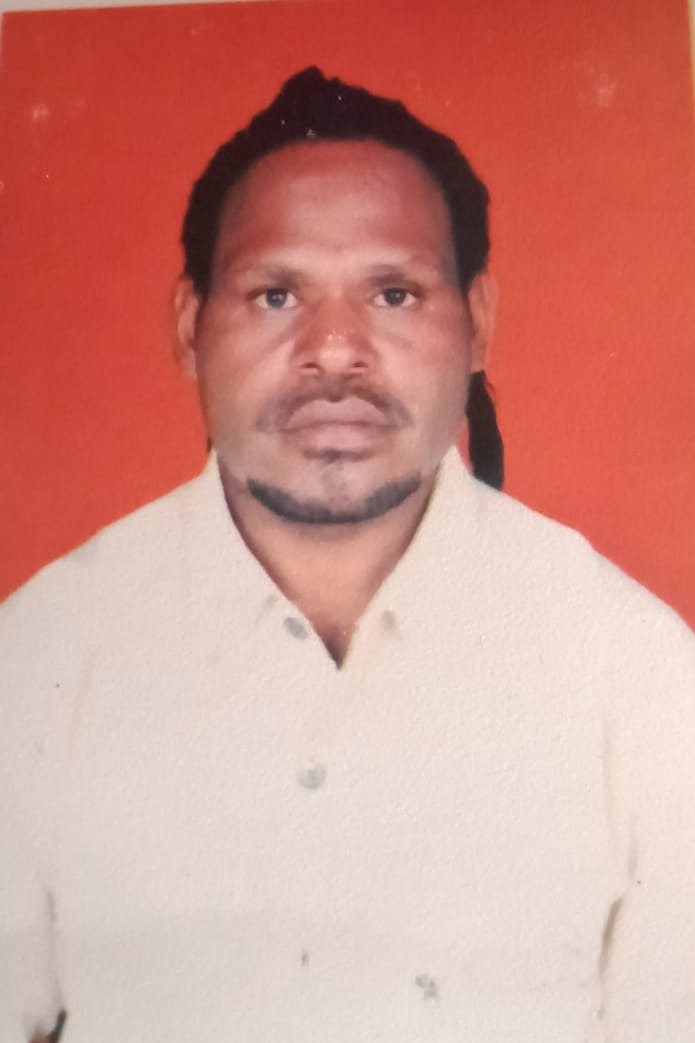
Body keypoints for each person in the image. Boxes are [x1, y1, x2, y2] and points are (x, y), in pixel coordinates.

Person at [1, 67, 694, 1043]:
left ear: (478, 323)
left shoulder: (636, 670)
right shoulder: (39, 657)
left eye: (394, 293)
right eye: (276, 293)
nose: (333, 350)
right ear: (190, 325)